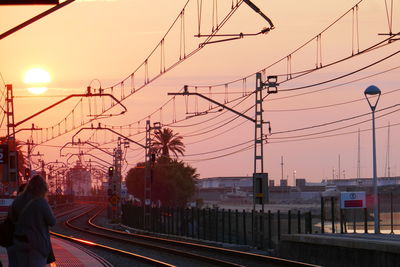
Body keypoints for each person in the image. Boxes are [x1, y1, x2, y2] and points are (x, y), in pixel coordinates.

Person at [8, 175, 56, 267]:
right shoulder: (41, 202)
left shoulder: (18, 200)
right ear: (43, 188)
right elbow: (52, 222)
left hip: (20, 241)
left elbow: (12, 218)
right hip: (38, 244)